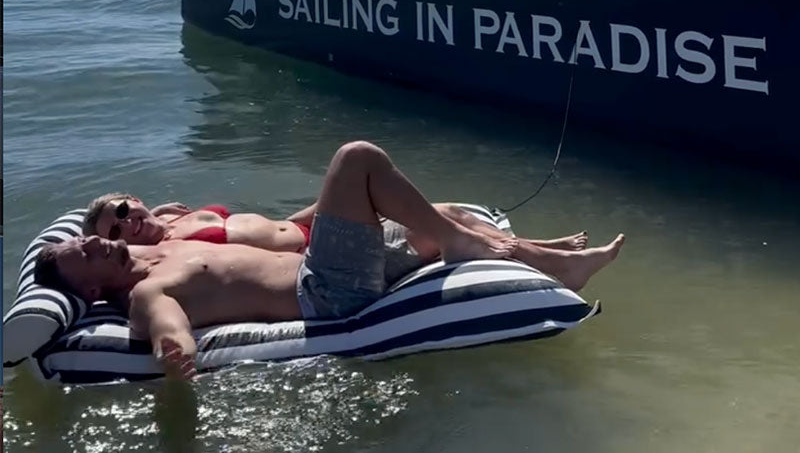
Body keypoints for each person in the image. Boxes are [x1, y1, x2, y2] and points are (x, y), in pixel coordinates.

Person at [35, 141, 625, 380]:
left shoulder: (160, 242)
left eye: (93, 235)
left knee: (438, 213)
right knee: (357, 159)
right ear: (89, 293)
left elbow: (120, 220)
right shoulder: (143, 294)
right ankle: (464, 244)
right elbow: (168, 328)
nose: (96, 241)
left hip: (332, 267)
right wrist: (177, 353)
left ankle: (556, 266)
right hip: (327, 294)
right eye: (87, 250)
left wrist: (137, 216)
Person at [81, 194, 589, 286]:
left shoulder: (181, 216)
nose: (127, 225)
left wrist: (326, 206)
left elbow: (274, 222)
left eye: (123, 210)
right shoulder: (169, 249)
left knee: (447, 212)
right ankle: (557, 262)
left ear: (134, 197)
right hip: (315, 256)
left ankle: (546, 250)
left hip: (309, 228)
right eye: (115, 230)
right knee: (436, 223)